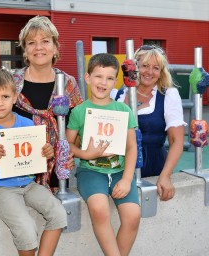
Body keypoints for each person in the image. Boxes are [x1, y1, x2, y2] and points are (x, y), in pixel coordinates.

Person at [0, 68, 67, 256]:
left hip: (28, 182)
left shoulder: (27, 123)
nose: (0, 103)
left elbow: (38, 158)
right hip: (1, 187)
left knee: (59, 215)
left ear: (15, 97)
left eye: (5, 96)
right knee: (26, 229)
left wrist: (46, 152)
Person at [66, 53, 141, 256]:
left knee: (133, 215)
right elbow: (67, 145)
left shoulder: (123, 110)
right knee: (99, 209)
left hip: (119, 171)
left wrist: (126, 179)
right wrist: (85, 153)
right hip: (91, 171)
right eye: (98, 76)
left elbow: (131, 147)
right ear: (88, 78)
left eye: (109, 78)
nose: (103, 82)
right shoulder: (79, 111)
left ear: (115, 81)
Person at [12, 15, 83, 189]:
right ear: (25, 50)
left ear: (55, 47)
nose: (38, 48)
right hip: (18, 169)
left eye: (45, 41)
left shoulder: (67, 84)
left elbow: (79, 127)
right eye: (31, 43)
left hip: (57, 169)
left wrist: (71, 152)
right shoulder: (11, 83)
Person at [113, 45, 186, 201]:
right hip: (120, 165)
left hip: (152, 164)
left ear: (161, 72)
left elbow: (176, 141)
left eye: (156, 68)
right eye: (145, 66)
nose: (149, 72)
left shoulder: (168, 95)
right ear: (135, 67)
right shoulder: (121, 93)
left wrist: (165, 176)